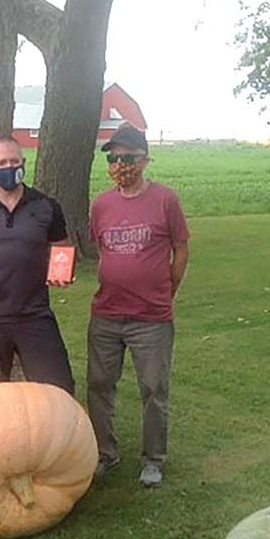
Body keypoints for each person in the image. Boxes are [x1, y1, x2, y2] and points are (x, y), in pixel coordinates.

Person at [87, 124, 189, 488]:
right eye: (113, 159)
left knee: (153, 388)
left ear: (144, 160)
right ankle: (104, 453)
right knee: (99, 385)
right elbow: (102, 249)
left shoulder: (165, 200)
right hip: (106, 314)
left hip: (151, 318)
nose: (120, 165)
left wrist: (166, 289)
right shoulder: (100, 205)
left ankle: (153, 460)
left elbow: (181, 248)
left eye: (128, 158)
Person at [0, 136, 75, 395]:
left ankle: (55, 436)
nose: (9, 167)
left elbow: (63, 247)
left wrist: (62, 271)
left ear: (24, 163)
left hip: (34, 315)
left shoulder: (46, 207)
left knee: (58, 390)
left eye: (14, 161)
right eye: (2, 162)